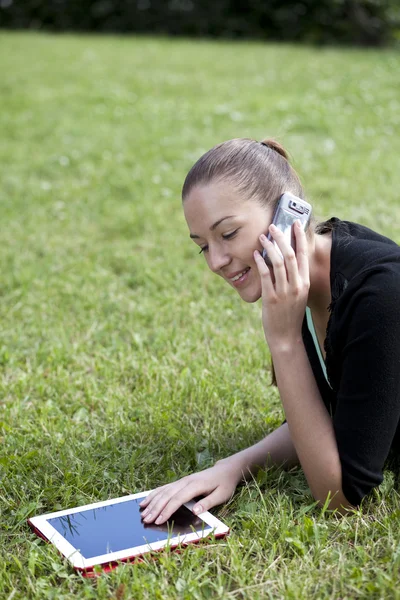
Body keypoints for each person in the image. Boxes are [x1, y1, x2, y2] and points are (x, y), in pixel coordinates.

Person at [140, 138, 400, 524]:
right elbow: (326, 415)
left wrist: (284, 340)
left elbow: (340, 496)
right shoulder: (311, 280)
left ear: (288, 215)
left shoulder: (380, 294)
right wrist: (232, 467)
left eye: (227, 234)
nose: (216, 261)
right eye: (202, 247)